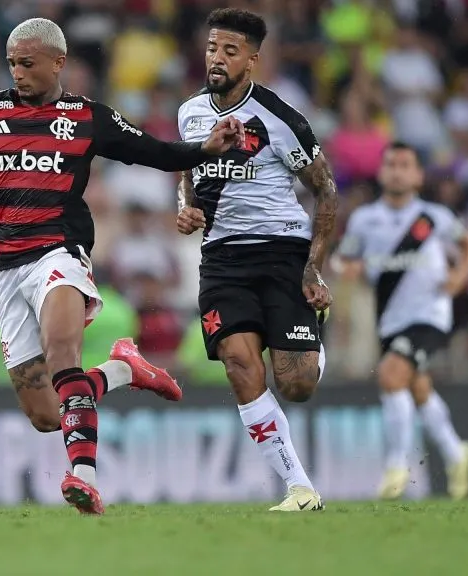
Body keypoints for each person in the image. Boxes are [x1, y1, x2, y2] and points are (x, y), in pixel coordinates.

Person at [0, 18, 243, 515]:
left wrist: (204, 149)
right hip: (7, 269)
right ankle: (124, 369)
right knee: (45, 415)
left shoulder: (88, 117)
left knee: (63, 352)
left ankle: (83, 477)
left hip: (58, 254)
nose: (17, 73)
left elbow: (156, 152)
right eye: (11, 63)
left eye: (27, 63)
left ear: (58, 62)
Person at [176, 8, 337, 512]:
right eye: (211, 48)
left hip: (281, 253)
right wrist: (186, 207)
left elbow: (325, 191)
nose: (217, 59)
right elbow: (188, 168)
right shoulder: (190, 113)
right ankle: (299, 487)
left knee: (297, 384)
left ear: (252, 59)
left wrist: (312, 266)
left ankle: (314, 333)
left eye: (229, 51)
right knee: (240, 364)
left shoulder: (280, 118)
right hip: (222, 260)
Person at [334, 142, 468, 500]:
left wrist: (460, 276)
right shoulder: (364, 219)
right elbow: (343, 259)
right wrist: (346, 268)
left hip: (430, 315)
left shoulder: (434, 217)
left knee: (391, 374)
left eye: (405, 165)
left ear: (417, 175)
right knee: (416, 387)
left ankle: (397, 467)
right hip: (390, 320)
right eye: (391, 164)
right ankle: (455, 451)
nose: (397, 170)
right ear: (382, 172)